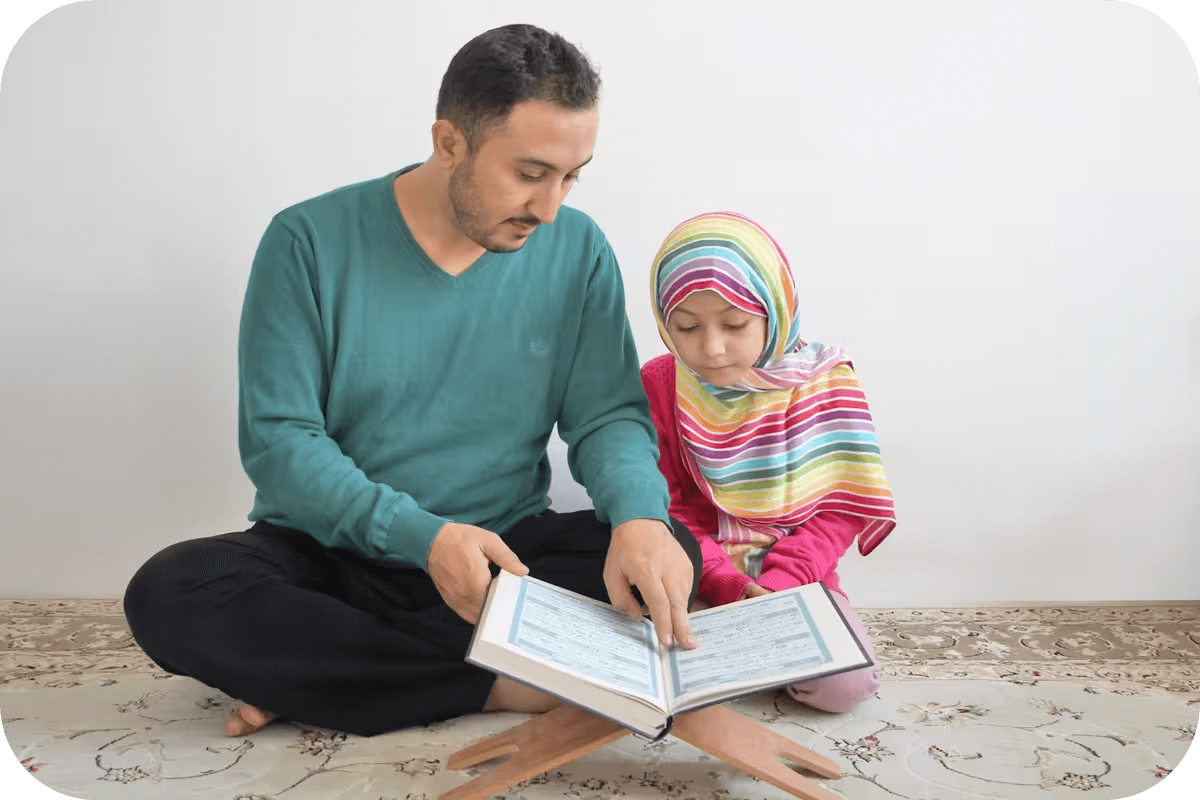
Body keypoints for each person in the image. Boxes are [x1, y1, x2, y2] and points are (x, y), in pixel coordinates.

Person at [122, 24, 700, 740]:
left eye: (571, 176)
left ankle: (327, 676)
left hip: (505, 556)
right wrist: (423, 538)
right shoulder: (305, 242)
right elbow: (280, 444)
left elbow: (607, 415)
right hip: (331, 554)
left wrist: (641, 519)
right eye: (529, 173)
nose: (550, 206)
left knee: (669, 545)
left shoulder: (577, 249)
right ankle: (495, 683)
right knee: (171, 592)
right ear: (450, 142)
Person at [641, 211, 896, 712]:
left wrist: (778, 588)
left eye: (735, 324)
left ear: (774, 310)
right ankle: (746, 663)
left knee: (846, 687)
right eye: (686, 327)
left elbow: (840, 510)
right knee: (640, 667)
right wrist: (726, 584)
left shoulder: (825, 381)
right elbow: (665, 507)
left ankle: (751, 662)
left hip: (797, 578)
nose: (711, 349)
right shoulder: (660, 382)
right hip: (695, 570)